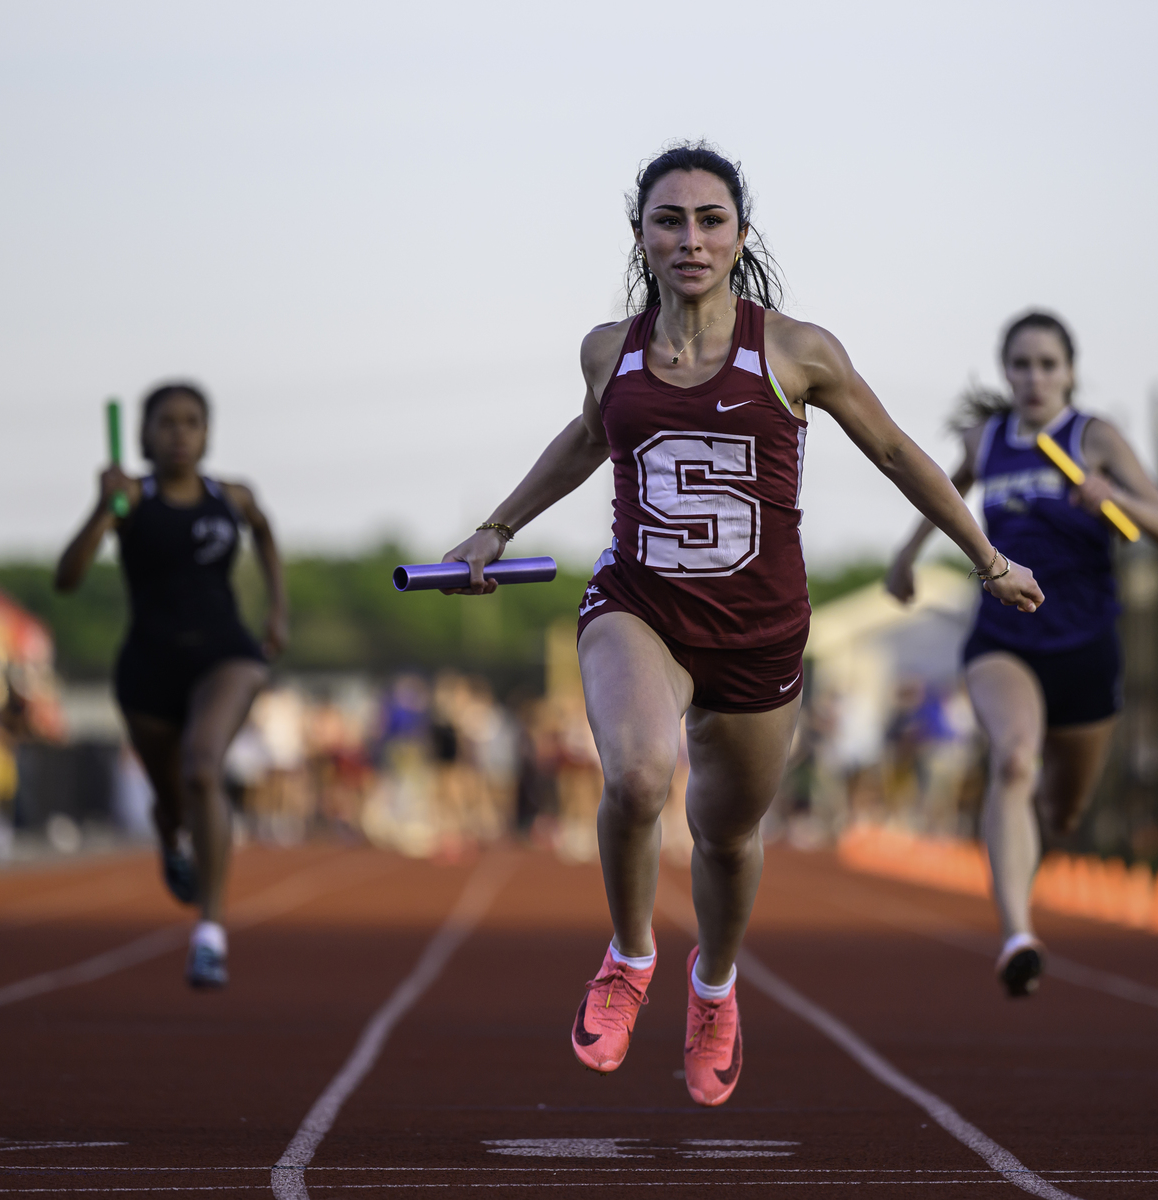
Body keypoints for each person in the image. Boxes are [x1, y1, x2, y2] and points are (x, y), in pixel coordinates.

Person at [439, 143, 1044, 1106]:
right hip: (640, 607)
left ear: (740, 235)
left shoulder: (796, 349)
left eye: (709, 219)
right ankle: (629, 956)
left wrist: (987, 558)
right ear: (640, 236)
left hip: (760, 633)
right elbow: (589, 437)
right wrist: (496, 527)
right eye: (669, 220)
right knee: (637, 776)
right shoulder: (611, 348)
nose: (690, 238)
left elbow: (894, 449)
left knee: (724, 835)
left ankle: (713, 986)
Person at [886, 311, 1158, 997]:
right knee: (1015, 758)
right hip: (1006, 638)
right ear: (1006, 371)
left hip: (1086, 646)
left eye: (1048, 364)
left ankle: (1024, 870)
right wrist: (905, 558)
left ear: (1070, 372)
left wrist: (1117, 500)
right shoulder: (988, 439)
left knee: (1062, 812)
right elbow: (944, 494)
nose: (1034, 377)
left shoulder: (1094, 437)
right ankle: (1017, 934)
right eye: (1021, 364)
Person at [56, 382, 286, 989]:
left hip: (226, 655)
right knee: (170, 800)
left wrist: (277, 611)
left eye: (191, 422)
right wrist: (102, 508)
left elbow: (264, 533)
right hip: (148, 669)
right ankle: (171, 842)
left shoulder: (232, 496)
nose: (180, 432)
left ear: (207, 434)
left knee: (204, 766)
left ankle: (209, 933)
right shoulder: (130, 498)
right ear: (144, 436)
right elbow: (66, 578)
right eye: (167, 423)